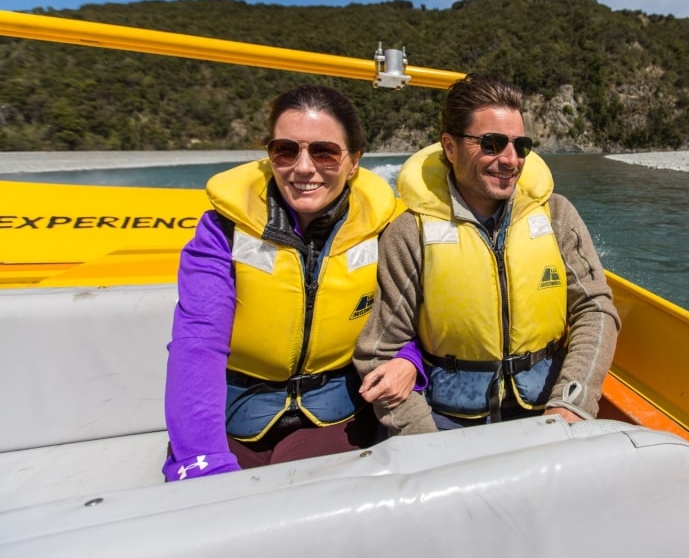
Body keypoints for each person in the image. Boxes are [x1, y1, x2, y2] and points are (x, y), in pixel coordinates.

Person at [163, 83, 423, 481]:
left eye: (324, 152)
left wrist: (409, 359)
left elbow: (416, 314)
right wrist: (204, 459)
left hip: (336, 410)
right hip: (236, 410)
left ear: (354, 160)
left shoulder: (386, 228)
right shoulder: (222, 231)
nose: (303, 167)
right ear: (269, 155)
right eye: (286, 150)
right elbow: (197, 341)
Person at [354, 74, 620, 434]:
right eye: (492, 144)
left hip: (548, 410)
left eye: (520, 145)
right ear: (450, 147)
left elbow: (595, 308)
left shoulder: (556, 214)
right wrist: (423, 439)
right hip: (447, 422)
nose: (510, 160)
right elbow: (380, 351)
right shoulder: (409, 232)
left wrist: (572, 401)